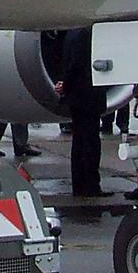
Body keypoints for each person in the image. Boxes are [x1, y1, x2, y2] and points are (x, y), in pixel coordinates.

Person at [52, 27, 105, 195]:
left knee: (79, 142)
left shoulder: (71, 32)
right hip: (88, 95)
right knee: (90, 143)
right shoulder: (87, 33)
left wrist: (64, 84)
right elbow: (77, 63)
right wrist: (66, 83)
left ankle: (79, 184)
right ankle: (91, 185)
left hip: (77, 96)